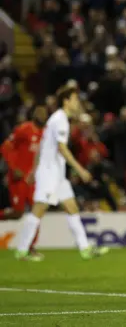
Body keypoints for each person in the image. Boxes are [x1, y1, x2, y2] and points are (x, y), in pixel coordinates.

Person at [14, 85, 110, 261]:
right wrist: (80, 170)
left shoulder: (57, 119)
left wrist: (33, 171)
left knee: (72, 207)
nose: (77, 102)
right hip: (50, 173)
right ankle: (22, 250)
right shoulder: (60, 120)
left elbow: (42, 148)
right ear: (66, 100)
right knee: (39, 209)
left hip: (56, 173)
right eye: (75, 99)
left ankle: (85, 248)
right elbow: (62, 148)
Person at [0, 105, 48, 260]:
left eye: (44, 112)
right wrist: (14, 168)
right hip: (18, 179)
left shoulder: (45, 133)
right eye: (39, 111)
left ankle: (30, 247)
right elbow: (6, 147)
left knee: (37, 211)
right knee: (18, 212)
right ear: (34, 114)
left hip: (33, 179)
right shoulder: (23, 129)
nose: (41, 114)